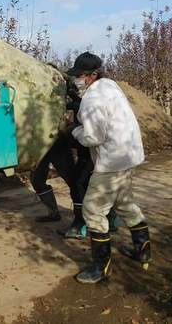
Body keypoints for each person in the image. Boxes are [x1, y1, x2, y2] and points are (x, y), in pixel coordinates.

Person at [67, 52, 151, 284]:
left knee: (93, 211)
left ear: (93, 75)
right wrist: (78, 105)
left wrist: (73, 130)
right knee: (124, 204)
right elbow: (108, 112)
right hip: (129, 154)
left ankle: (100, 267)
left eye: (80, 76)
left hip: (111, 162)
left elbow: (93, 137)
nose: (77, 79)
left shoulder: (91, 101)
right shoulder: (110, 85)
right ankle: (142, 249)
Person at [30, 74, 118, 239]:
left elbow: (80, 117)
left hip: (60, 145)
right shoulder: (35, 96)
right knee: (37, 180)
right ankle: (54, 213)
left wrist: (69, 129)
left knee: (76, 183)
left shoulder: (78, 99)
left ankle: (102, 218)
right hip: (39, 145)